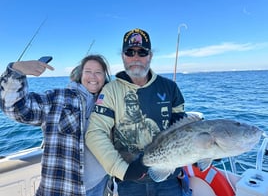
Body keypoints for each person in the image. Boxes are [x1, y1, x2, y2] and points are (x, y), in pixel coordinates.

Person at [85, 28, 194, 196]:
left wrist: (206, 151)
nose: (136, 57)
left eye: (142, 52)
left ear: (150, 56)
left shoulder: (170, 88)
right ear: (123, 56)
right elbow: (95, 133)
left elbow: (182, 131)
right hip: (129, 181)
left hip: (169, 178)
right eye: (130, 52)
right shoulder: (110, 91)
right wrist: (122, 171)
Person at [0, 54, 111, 196]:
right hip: (62, 190)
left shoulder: (110, 102)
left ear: (105, 77)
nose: (93, 77)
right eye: (88, 71)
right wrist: (17, 70)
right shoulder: (58, 98)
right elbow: (14, 108)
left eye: (98, 72)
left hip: (100, 185)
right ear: (80, 75)